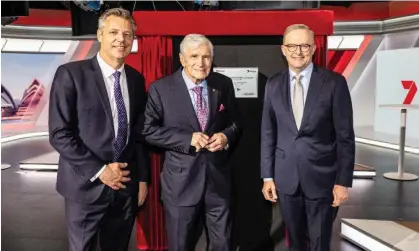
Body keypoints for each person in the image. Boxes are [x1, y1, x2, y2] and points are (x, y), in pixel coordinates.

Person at [49, 8, 149, 251]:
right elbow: (60, 134)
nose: (121, 40)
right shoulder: (71, 74)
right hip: (85, 187)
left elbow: (138, 135)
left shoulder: (136, 80)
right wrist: (101, 170)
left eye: (127, 35)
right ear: (99, 35)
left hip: (125, 187)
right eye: (113, 32)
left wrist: (143, 179)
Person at [142, 34, 242, 251]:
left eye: (206, 57)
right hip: (181, 185)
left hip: (218, 183)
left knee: (223, 244)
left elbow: (236, 123)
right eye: (194, 56)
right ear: (182, 59)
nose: (201, 63)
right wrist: (187, 139)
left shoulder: (223, 84)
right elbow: (148, 131)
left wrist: (226, 137)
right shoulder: (161, 89)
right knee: (180, 245)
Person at [260, 24, 355, 251]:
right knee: (295, 241)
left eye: (304, 45)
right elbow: (267, 133)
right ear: (283, 49)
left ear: (313, 48)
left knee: (320, 241)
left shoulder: (334, 83)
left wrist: (342, 182)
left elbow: (345, 137)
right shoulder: (273, 84)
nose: (298, 51)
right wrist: (267, 177)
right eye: (292, 45)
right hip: (286, 177)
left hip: (323, 178)